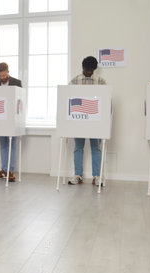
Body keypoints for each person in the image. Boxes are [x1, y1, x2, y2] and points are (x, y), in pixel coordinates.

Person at [68, 56, 106, 186]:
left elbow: (105, 101)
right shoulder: (75, 81)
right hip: (79, 119)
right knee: (78, 147)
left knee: (96, 148)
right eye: (87, 69)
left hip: (95, 120)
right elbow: (68, 99)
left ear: (95, 69)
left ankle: (97, 176)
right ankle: (78, 175)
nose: (89, 72)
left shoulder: (100, 81)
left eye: (92, 70)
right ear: (83, 68)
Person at [0, 62, 22, 182]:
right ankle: (4, 169)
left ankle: (10, 171)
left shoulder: (17, 83)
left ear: (8, 72)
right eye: (0, 75)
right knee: (3, 145)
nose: (2, 78)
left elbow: (20, 101)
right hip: (0, 119)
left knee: (12, 145)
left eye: (4, 75)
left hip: (13, 119)